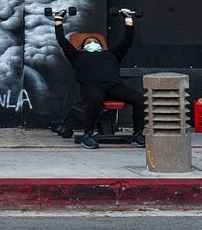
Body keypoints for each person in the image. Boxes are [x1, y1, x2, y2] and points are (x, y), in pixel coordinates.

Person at [54, 8, 145, 149]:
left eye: (95, 41)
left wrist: (128, 19)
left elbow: (128, 40)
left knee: (139, 98)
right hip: (91, 86)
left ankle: (138, 134)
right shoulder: (77, 55)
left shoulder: (112, 55)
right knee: (95, 99)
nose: (92, 43)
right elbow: (62, 40)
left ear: (101, 46)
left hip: (114, 86)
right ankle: (88, 135)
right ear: (83, 47)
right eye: (89, 42)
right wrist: (59, 19)